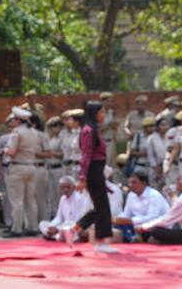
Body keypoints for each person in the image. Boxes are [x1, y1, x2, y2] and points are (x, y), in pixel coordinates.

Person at [65, 101, 118, 253]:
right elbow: (86, 155)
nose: (104, 116)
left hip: (97, 169)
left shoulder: (94, 129)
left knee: (101, 207)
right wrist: (82, 178)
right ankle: (100, 241)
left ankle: (75, 229)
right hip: (93, 170)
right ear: (93, 113)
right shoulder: (88, 130)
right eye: (101, 112)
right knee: (102, 207)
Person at [2, 107, 40, 238]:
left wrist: (5, 149)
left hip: (17, 166)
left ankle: (16, 228)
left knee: (17, 200)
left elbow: (11, 152)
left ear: (18, 120)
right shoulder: (34, 132)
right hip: (31, 165)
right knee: (30, 199)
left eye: (13, 119)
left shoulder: (16, 133)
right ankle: (33, 227)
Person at [136, 172, 182, 244]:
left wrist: (144, 226)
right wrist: (172, 197)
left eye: (178, 180)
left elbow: (166, 220)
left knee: (154, 230)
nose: (176, 183)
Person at [112, 170, 169, 243]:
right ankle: (133, 238)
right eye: (130, 182)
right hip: (137, 224)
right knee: (116, 225)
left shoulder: (154, 195)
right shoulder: (131, 195)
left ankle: (133, 238)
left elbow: (152, 218)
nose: (131, 185)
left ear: (144, 183)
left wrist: (131, 221)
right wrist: (118, 219)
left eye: (134, 182)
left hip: (156, 225)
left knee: (151, 232)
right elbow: (127, 213)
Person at [38, 176, 89, 241]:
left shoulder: (79, 198)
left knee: (71, 230)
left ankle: (57, 236)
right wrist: (52, 226)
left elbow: (78, 220)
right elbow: (59, 217)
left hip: (74, 226)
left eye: (68, 187)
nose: (65, 190)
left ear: (73, 187)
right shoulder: (62, 199)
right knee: (42, 224)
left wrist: (57, 229)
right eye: (63, 188)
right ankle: (56, 235)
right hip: (63, 226)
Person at [44, 117, 65, 222]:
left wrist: (52, 153)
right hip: (48, 168)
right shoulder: (49, 139)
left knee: (59, 193)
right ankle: (51, 215)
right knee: (50, 194)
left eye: (54, 127)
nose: (52, 130)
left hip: (58, 167)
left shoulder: (62, 138)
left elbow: (63, 154)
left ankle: (59, 215)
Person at [30, 115, 51, 220]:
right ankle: (32, 223)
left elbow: (48, 154)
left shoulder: (42, 135)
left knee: (40, 197)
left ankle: (44, 221)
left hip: (39, 167)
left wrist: (34, 153)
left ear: (34, 124)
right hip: (28, 167)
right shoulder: (24, 135)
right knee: (29, 197)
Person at [0, 116, 14, 230]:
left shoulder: (19, 135)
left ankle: (19, 221)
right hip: (6, 167)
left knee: (18, 196)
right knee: (7, 196)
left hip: (17, 166)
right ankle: (8, 222)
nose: (11, 127)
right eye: (10, 125)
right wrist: (0, 168)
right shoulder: (3, 138)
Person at [147, 116, 169, 191]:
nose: (165, 127)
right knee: (155, 189)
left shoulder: (170, 136)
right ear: (158, 126)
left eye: (166, 125)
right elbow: (150, 155)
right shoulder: (152, 138)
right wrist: (156, 168)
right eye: (162, 125)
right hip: (155, 167)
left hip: (167, 166)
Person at [61, 109, 84, 179]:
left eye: (70, 119)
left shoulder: (83, 133)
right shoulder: (70, 133)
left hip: (80, 166)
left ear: (77, 121)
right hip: (70, 166)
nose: (68, 122)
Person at [100, 92, 119, 169]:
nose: (110, 103)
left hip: (111, 141)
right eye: (108, 101)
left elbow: (115, 128)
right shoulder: (100, 113)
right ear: (103, 102)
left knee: (112, 166)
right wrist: (108, 125)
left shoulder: (111, 112)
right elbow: (99, 130)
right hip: (103, 142)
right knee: (104, 165)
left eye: (111, 101)